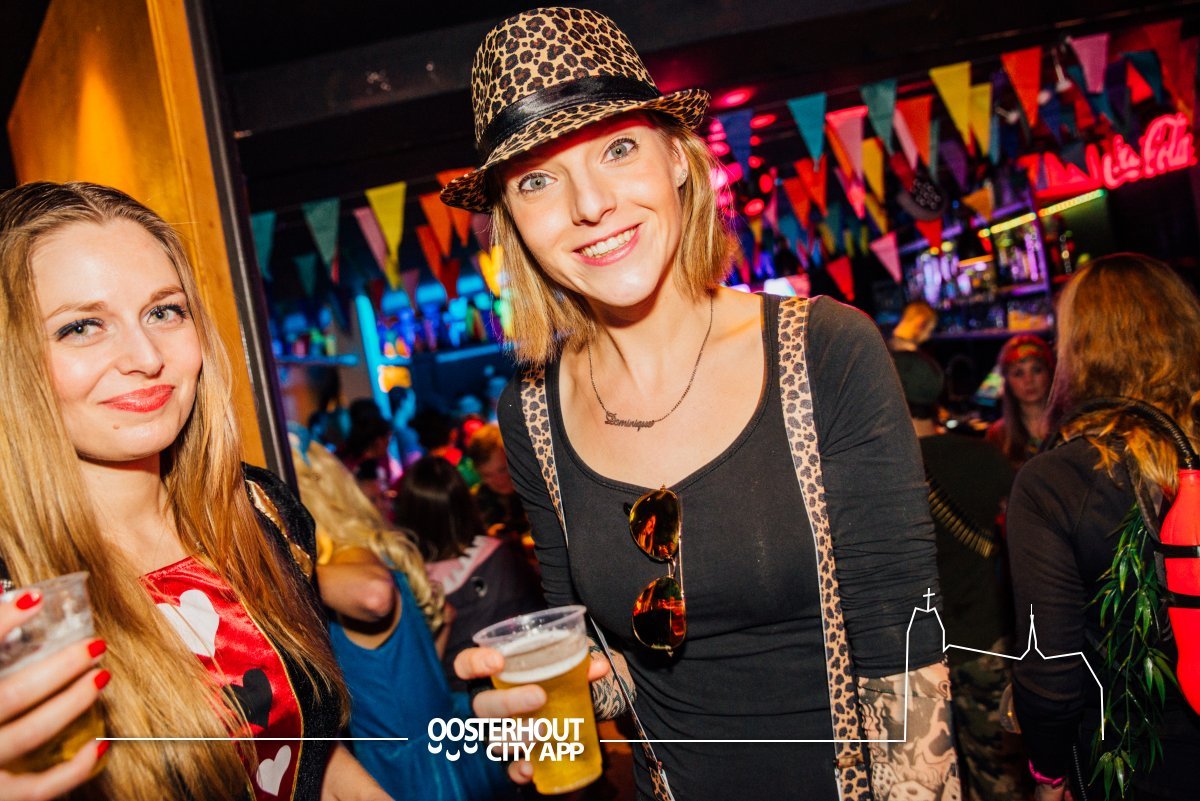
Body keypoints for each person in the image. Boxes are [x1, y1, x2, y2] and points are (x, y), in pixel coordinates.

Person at [439, 8, 957, 800]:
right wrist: (542, 696)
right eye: (537, 180)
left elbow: (909, 673)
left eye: (618, 148)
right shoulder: (532, 412)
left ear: (678, 159)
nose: (589, 204)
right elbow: (613, 668)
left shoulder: (825, 351)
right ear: (511, 221)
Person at [0, 181, 388, 800]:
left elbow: (315, 752)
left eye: (164, 311)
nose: (146, 356)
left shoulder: (259, 513)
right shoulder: (13, 600)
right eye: (81, 326)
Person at [1007, 254, 1200, 800]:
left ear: (1077, 350)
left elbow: (1051, 672)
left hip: (1139, 766)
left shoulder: (1056, 480)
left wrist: (1048, 774)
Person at [291, 438, 514, 801]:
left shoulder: (345, 565)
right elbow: (435, 628)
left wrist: (270, 564)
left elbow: (374, 596)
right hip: (442, 744)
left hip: (410, 771)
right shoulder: (368, 554)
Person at [892, 351, 1030, 801]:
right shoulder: (985, 457)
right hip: (986, 644)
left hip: (914, 659)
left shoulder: (882, 472)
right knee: (1000, 778)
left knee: (928, 784)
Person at [395, 456, 544, 693]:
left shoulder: (400, 577)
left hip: (447, 697)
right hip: (510, 684)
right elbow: (539, 618)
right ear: (463, 505)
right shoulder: (499, 557)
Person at [985, 334, 1054, 469]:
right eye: (1018, 373)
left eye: (1036, 370)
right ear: (1007, 381)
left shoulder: (1069, 425)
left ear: (1049, 373)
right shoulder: (997, 435)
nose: (1029, 380)